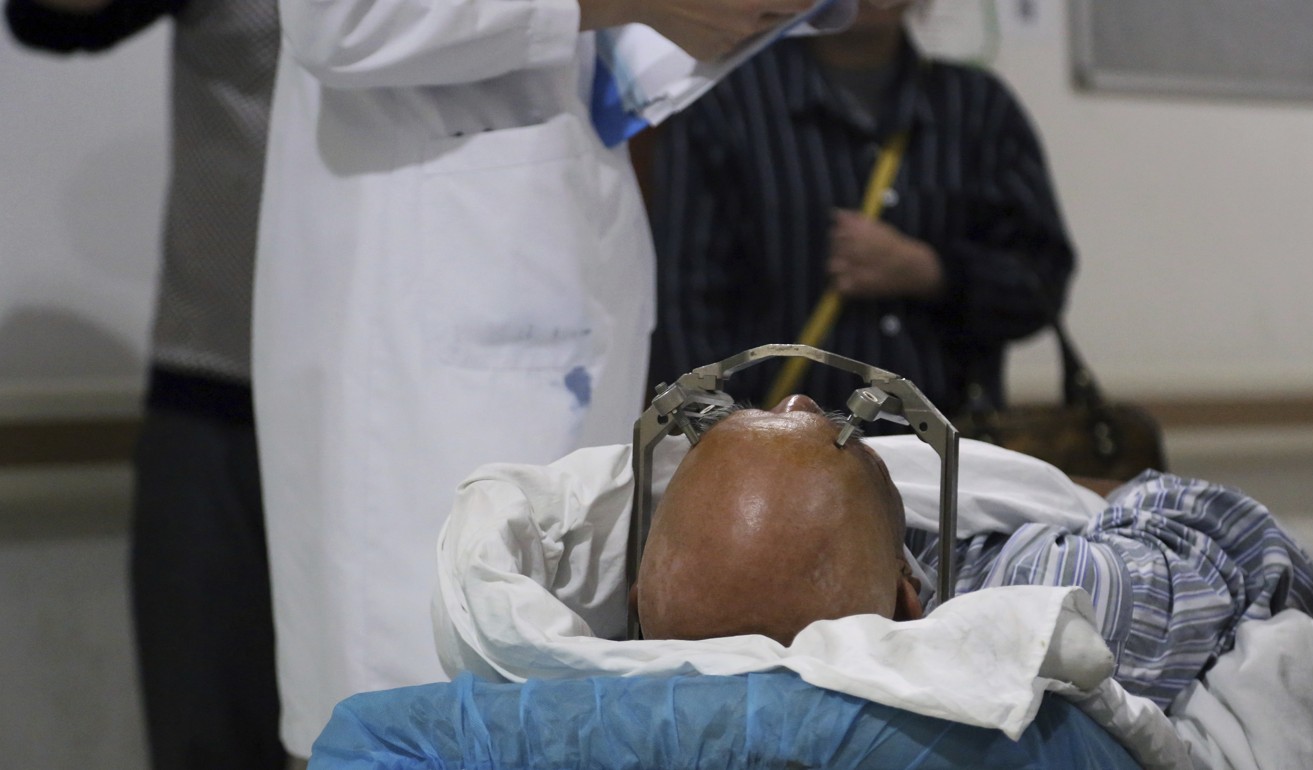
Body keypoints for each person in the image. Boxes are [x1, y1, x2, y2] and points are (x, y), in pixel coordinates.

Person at [251, 0, 861, 757]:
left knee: (551, 707)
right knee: (428, 710)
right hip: (426, 317)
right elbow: (339, 18)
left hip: (551, 235)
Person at [636, 394, 1313, 711]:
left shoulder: (666, 594)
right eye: (822, 429)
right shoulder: (1047, 593)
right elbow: (1238, 537)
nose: (796, 392)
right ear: (908, 596)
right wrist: (1083, 494)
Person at [4, 0, 285, 768]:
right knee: (204, 738)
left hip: (410, 394)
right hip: (217, 393)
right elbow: (52, 18)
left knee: (424, 723)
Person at [645, 0, 1076, 414]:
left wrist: (931, 272)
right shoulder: (728, 103)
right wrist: (721, 439)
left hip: (950, 451)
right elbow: (683, 302)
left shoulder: (978, 108)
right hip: (778, 457)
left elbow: (1042, 283)